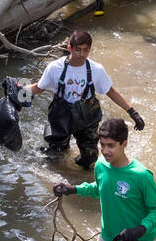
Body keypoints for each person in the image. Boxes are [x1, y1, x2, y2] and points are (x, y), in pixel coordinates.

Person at [21, 29, 144, 168]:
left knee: (90, 159)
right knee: (55, 157)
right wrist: (18, 93)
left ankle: (81, 180)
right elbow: (38, 87)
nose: (81, 54)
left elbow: (111, 91)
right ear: (70, 48)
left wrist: (132, 112)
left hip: (87, 118)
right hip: (61, 116)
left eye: (86, 50)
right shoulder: (55, 68)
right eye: (78, 50)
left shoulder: (96, 69)